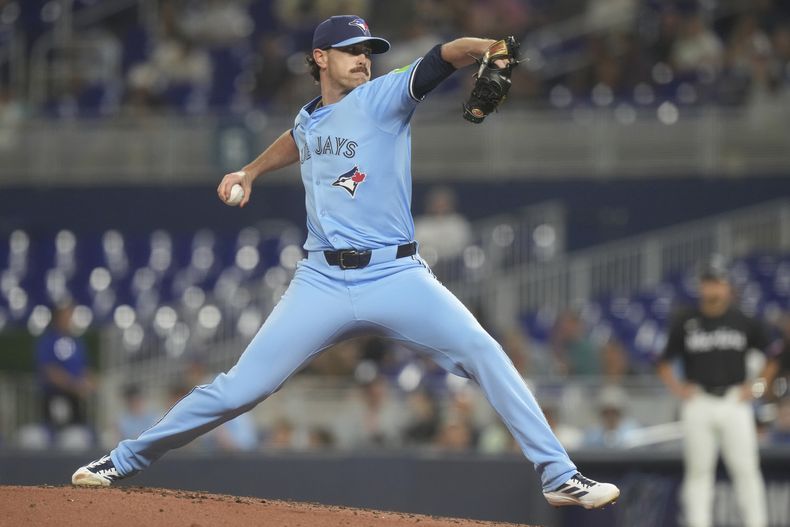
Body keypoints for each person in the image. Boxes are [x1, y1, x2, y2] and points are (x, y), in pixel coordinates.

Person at [72, 15, 619, 509]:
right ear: (320, 58)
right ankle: (123, 460)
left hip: (396, 273)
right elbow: (300, 138)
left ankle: (558, 475)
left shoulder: (384, 97)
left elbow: (444, 55)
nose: (363, 59)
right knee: (240, 389)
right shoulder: (310, 116)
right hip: (322, 280)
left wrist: (486, 47)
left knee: (484, 351)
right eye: (351, 50)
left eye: (368, 51)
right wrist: (251, 171)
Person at [656, 258, 782, 527]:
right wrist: (678, 388)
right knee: (698, 472)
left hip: (734, 400)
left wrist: (757, 387)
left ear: (727, 286)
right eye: (708, 282)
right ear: (701, 286)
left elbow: (773, 356)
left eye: (718, 282)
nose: (713, 288)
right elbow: (664, 362)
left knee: (746, 470)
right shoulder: (687, 321)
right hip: (699, 399)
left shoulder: (743, 320)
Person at [35, 302, 94, 438]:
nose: (69, 320)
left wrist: (89, 382)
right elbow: (49, 371)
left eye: (70, 316)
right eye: (66, 316)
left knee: (78, 433)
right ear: (57, 318)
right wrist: (74, 385)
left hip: (76, 398)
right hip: (55, 396)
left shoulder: (77, 342)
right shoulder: (47, 341)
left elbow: (85, 367)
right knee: (54, 434)